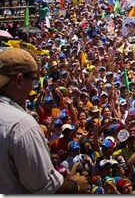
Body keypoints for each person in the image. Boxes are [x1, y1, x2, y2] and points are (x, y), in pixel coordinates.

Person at [0, 48, 88, 193]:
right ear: (19, 80)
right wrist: (76, 185)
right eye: (34, 80)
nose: (34, 86)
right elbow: (46, 189)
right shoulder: (21, 125)